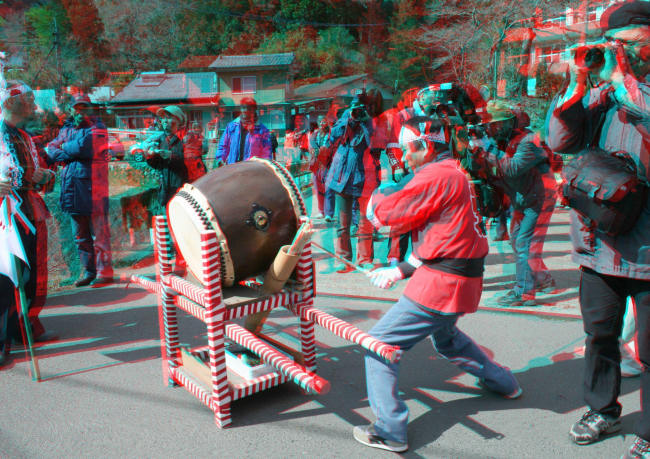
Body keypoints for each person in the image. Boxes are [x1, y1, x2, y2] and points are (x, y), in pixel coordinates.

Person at [353, 116, 521, 452]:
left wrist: (377, 197)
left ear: (426, 146)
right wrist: (401, 270)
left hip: (442, 283)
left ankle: (390, 430)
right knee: (447, 338)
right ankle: (504, 382)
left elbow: (389, 214)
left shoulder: (436, 176)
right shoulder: (454, 171)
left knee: (378, 345)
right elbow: (444, 236)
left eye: (408, 149)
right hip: (463, 279)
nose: (404, 156)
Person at [546, 2, 650, 456]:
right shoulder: (603, 93)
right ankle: (601, 410)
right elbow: (560, 141)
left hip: (647, 248)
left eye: (629, 44)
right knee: (600, 336)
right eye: (613, 45)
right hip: (598, 243)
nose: (618, 53)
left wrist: (625, 82)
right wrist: (578, 85)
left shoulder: (630, 90)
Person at [477, 103, 557, 306]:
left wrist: (489, 148)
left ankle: (524, 292)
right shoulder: (505, 141)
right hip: (524, 199)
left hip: (539, 199)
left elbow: (512, 168)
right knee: (518, 242)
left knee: (523, 244)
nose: (494, 129)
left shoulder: (527, 141)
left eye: (497, 124)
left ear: (509, 123)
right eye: (491, 125)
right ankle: (542, 279)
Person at [0, 80, 56, 366]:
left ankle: (20, 328)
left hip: (28, 213)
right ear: (11, 102)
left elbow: (38, 171)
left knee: (29, 274)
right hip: (5, 218)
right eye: (29, 99)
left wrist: (44, 176)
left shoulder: (23, 135)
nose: (34, 104)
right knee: (6, 276)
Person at [46, 92, 112, 287]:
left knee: (99, 233)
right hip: (72, 189)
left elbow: (84, 148)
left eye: (84, 107)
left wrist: (64, 148)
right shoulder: (66, 128)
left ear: (90, 109)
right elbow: (51, 151)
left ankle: (104, 272)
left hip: (94, 188)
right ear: (71, 109)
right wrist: (67, 149)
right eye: (77, 108)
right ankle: (89, 272)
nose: (80, 111)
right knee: (80, 236)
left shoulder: (98, 127)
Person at [325, 91, 375, 271]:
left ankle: (365, 259)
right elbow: (333, 137)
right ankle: (344, 260)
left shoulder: (370, 120)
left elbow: (372, 142)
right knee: (342, 224)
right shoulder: (346, 117)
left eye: (361, 107)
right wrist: (349, 120)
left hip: (363, 177)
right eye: (355, 107)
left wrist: (365, 122)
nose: (357, 111)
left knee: (364, 222)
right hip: (342, 178)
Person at [216, 97, 272, 165]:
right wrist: (220, 160)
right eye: (243, 107)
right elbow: (223, 146)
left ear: (254, 110)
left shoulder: (262, 130)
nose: (245, 110)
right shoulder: (232, 127)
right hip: (233, 167)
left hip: (251, 168)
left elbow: (266, 152)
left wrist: (264, 166)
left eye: (248, 108)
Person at [308, 115, 334, 220]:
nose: (322, 124)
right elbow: (311, 147)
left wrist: (321, 151)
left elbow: (330, 147)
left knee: (328, 189)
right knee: (318, 188)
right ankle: (321, 211)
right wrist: (316, 151)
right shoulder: (314, 134)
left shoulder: (331, 134)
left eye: (324, 122)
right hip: (317, 165)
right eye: (321, 122)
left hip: (328, 164)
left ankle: (329, 213)